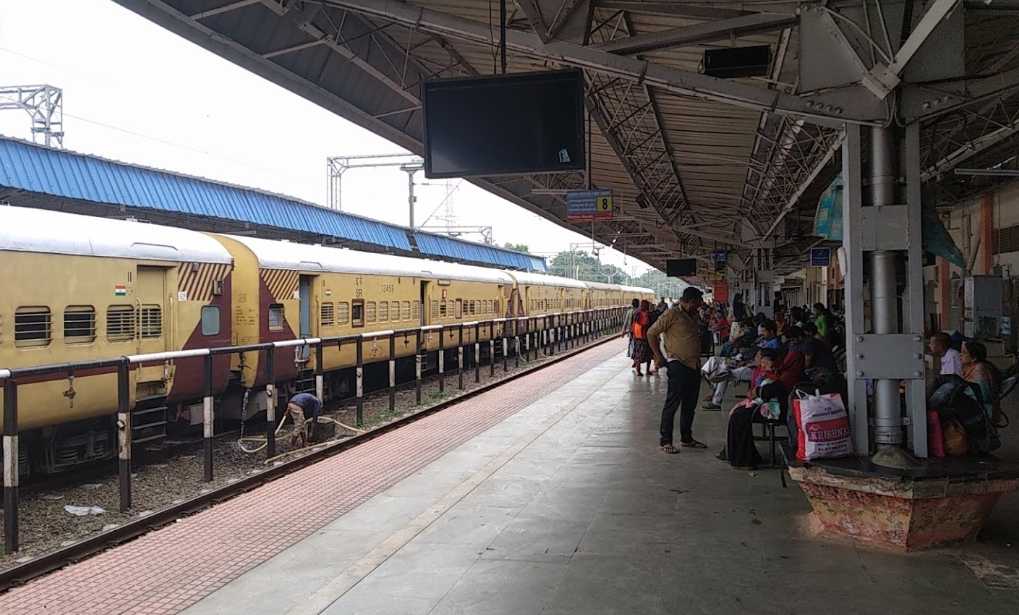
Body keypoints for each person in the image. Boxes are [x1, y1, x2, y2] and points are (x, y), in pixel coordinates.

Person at [648, 287, 707, 453]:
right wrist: (658, 356)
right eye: (698, 302)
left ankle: (687, 438)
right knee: (672, 403)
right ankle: (665, 440)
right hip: (678, 364)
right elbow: (651, 333)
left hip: (693, 365)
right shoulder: (672, 314)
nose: (700, 305)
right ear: (690, 301)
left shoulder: (693, 315)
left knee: (690, 405)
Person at [960, 340, 1002, 425]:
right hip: (974, 408)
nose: (960, 355)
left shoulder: (980, 369)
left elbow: (984, 395)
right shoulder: (970, 367)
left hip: (982, 411)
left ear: (974, 358)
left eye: (964, 353)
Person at [630, 300, 653, 376]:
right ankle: (646, 370)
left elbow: (633, 324)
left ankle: (639, 370)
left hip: (637, 337)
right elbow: (647, 324)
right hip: (645, 337)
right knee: (647, 355)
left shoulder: (636, 313)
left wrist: (632, 335)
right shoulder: (646, 314)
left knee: (638, 355)